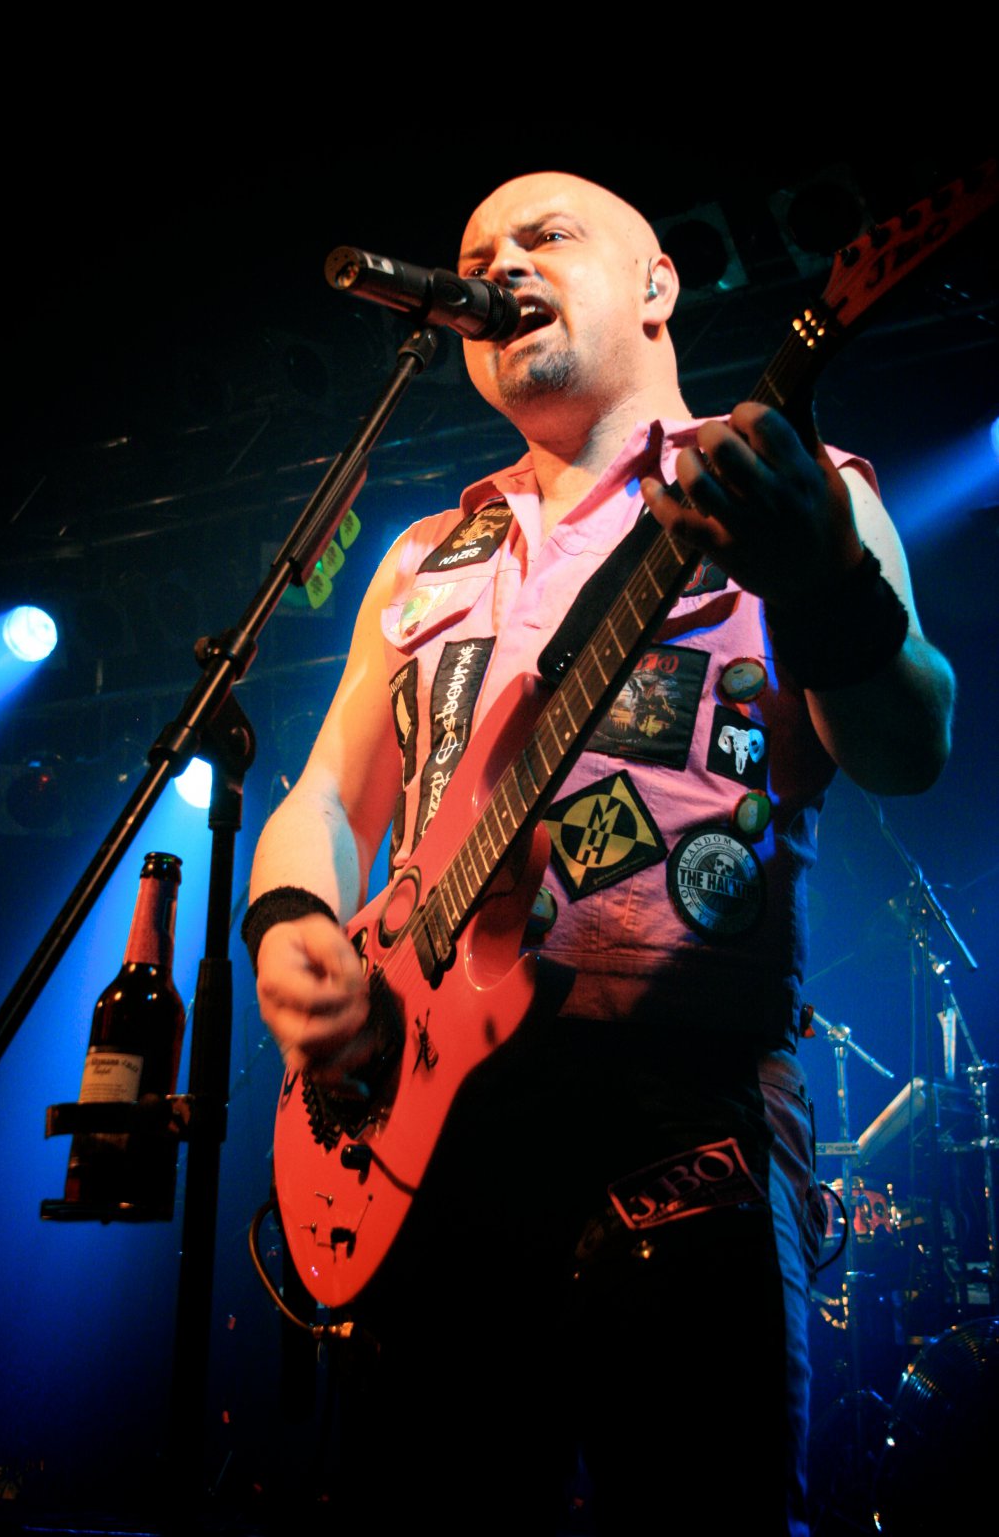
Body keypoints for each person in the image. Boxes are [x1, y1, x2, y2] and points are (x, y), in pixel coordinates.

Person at [245, 174, 954, 1534]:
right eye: (476, 252)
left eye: (546, 236)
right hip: (428, 1128)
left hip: (682, 1113)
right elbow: (327, 798)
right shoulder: (423, 554)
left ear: (656, 285)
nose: (500, 264)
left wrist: (820, 581)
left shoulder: (801, 490)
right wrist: (292, 926)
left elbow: (912, 743)